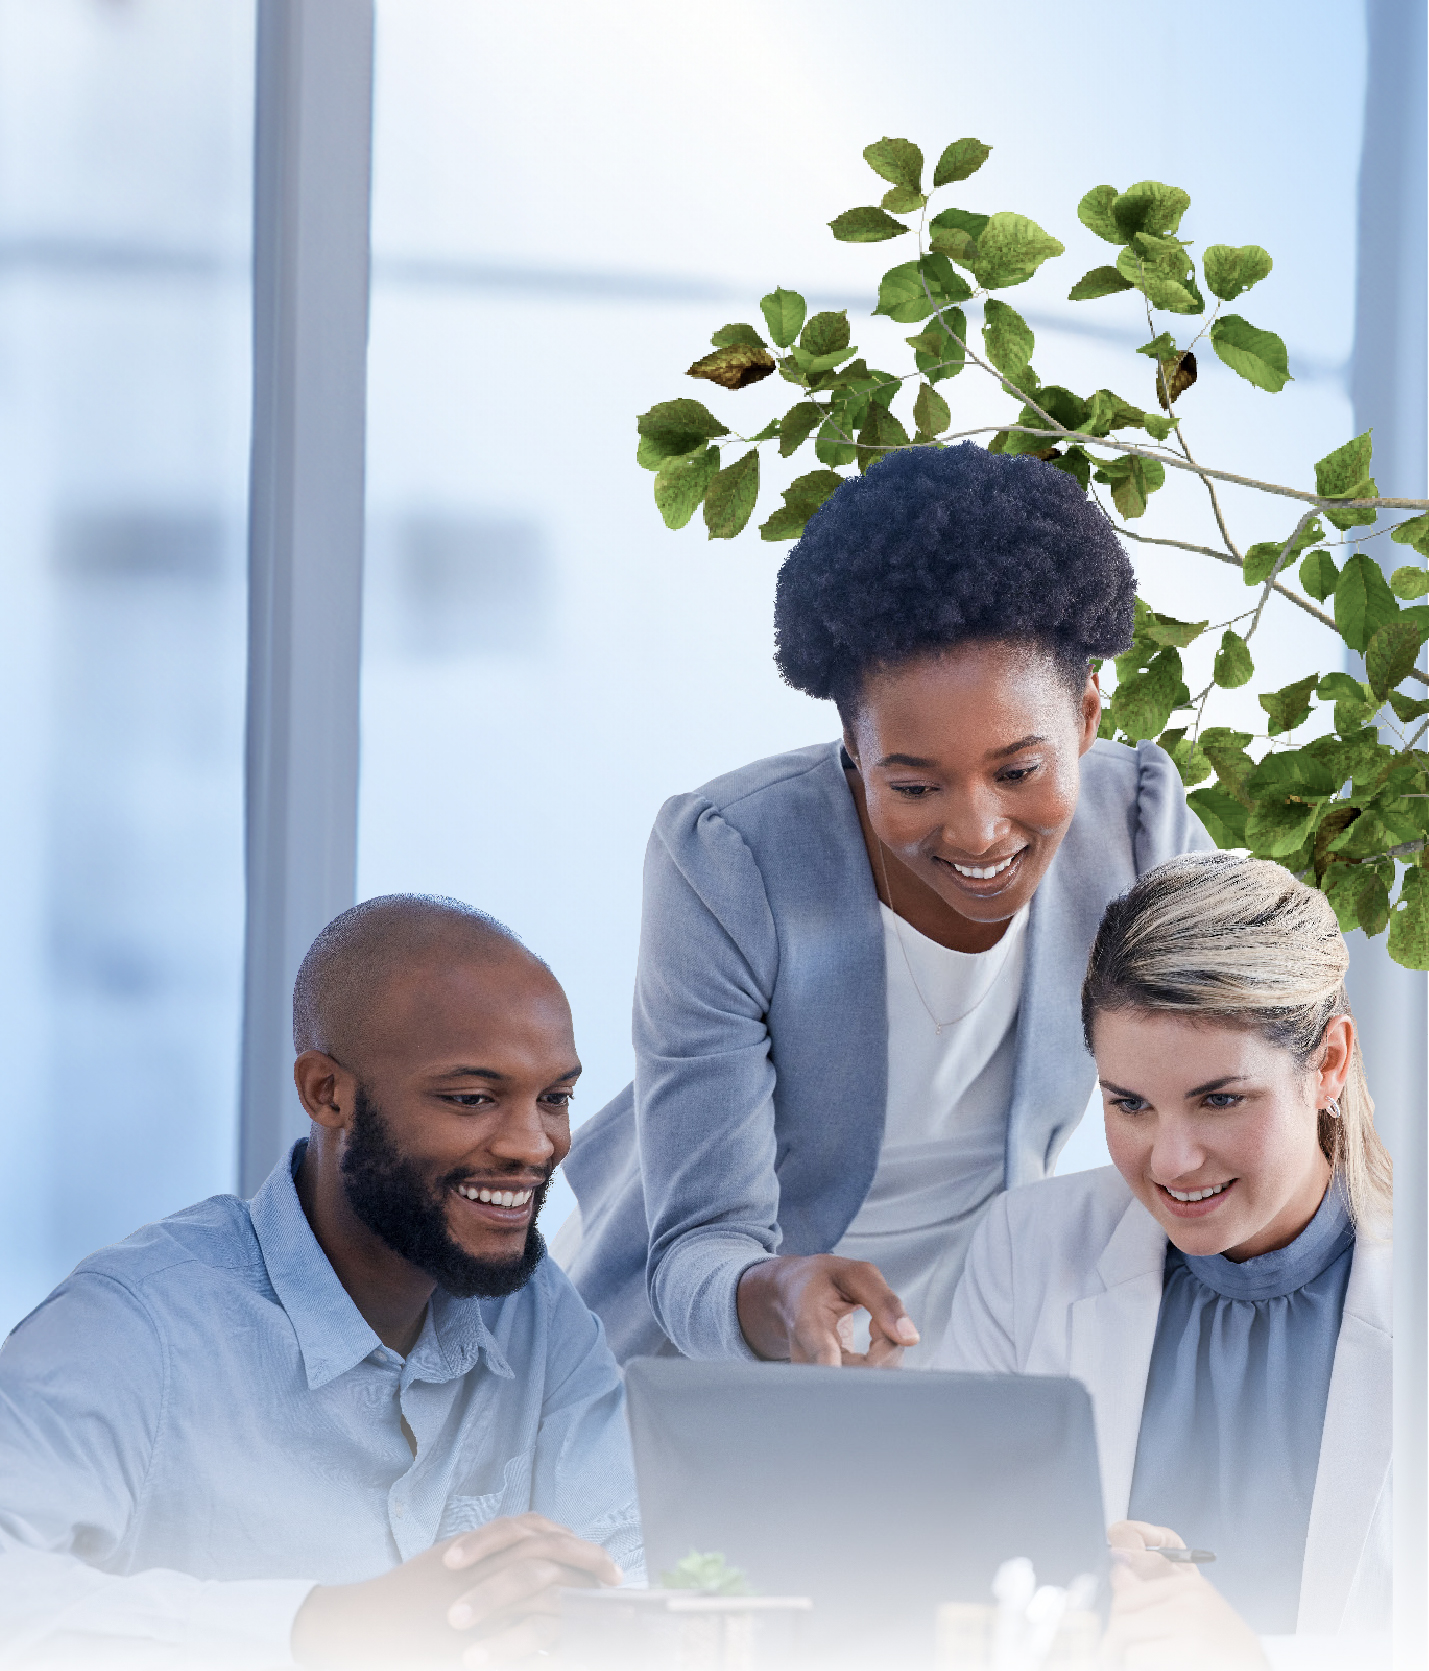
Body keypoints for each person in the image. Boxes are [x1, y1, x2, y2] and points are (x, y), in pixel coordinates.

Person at [561, 442, 1212, 1366]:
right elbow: (697, 1245)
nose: (978, 831)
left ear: (1087, 718)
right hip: (697, 1353)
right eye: (913, 786)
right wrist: (773, 1289)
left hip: (962, 1341)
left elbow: (1232, 1087)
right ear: (851, 747)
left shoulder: (1138, 828)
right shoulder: (730, 858)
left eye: (1019, 769)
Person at [0, 895, 640, 1668]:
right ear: (325, 1092)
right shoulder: (132, 1325)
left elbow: (627, 1574)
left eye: (554, 1098)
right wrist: (326, 1626)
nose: (533, 1145)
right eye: (472, 1098)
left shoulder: (534, 1313)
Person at [940, 852, 1391, 1651]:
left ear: (1327, 1063)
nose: (1171, 1161)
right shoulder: (1025, 1250)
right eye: (1130, 1104)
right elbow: (939, 1574)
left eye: (1219, 1099)